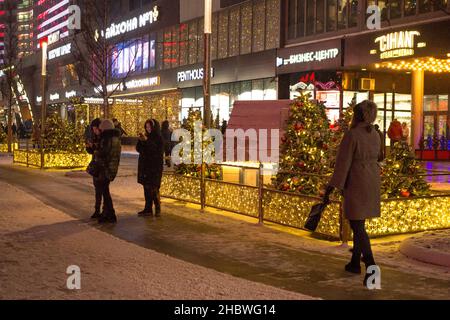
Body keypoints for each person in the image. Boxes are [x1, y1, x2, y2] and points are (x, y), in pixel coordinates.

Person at [323, 100, 384, 287]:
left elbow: (343, 164)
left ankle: (372, 268)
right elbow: (380, 157)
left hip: (357, 181)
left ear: (358, 115)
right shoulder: (375, 133)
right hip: (372, 180)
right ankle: (355, 262)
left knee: (358, 226)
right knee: (360, 223)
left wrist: (331, 187)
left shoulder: (352, 135)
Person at [95, 119, 122, 223]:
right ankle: (108, 213)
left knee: (105, 191)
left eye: (101, 129)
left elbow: (104, 152)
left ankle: (111, 214)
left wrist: (96, 149)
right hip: (111, 167)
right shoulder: (115, 138)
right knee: (105, 190)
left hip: (106, 168)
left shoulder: (107, 139)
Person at [136, 119, 164, 217]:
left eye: (149, 127)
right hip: (145, 166)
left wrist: (146, 141)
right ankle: (148, 208)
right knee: (146, 187)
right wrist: (141, 141)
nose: (148, 129)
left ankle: (157, 208)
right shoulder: (146, 136)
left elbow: (155, 150)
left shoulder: (158, 138)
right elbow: (139, 149)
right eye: (146, 127)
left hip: (154, 167)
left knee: (154, 187)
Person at [86, 118, 103, 219]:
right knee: (97, 189)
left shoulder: (103, 138)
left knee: (102, 190)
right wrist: (89, 147)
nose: (94, 131)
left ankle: (103, 210)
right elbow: (93, 152)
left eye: (95, 129)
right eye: (93, 129)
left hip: (101, 167)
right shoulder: (96, 137)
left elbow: (101, 152)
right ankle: (97, 209)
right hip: (96, 167)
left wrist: (95, 147)